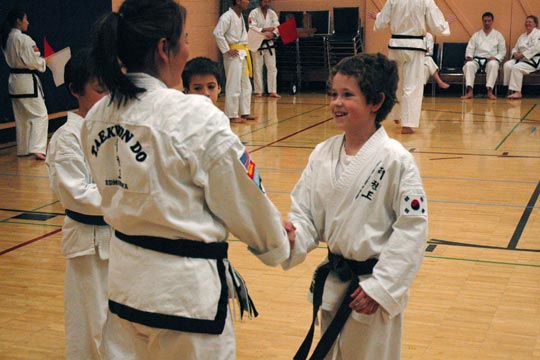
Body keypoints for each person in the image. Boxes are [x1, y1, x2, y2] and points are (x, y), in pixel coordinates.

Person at [82, 1, 290, 359]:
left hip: (125, 290)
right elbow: (241, 197)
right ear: (165, 48)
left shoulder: (97, 115)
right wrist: (275, 244)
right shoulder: (191, 114)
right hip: (184, 300)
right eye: (187, 40)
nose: (188, 49)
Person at [283, 54, 428, 360]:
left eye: (347, 95)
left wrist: (382, 287)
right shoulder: (323, 154)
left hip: (370, 291)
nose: (336, 102)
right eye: (333, 94)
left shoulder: (396, 160)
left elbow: (411, 231)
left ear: (376, 102)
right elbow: (306, 213)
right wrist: (294, 234)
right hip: (336, 285)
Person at [45, 48, 131, 360]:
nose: (107, 96)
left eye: (111, 88)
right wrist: (125, 197)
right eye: (99, 89)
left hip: (118, 238)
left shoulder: (112, 130)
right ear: (75, 91)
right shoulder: (67, 138)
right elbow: (77, 195)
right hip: (88, 243)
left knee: (118, 319)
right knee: (93, 320)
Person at [369, 0, 452, 134]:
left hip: (396, 46)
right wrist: (445, 24)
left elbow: (382, 22)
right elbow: (437, 25)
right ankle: (407, 124)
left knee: (396, 83)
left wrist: (379, 17)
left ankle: (396, 115)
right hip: (414, 47)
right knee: (412, 85)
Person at [1, 5, 48, 160]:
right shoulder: (24, 39)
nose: (28, 22)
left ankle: (23, 148)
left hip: (14, 82)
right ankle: (37, 148)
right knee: (40, 115)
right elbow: (33, 61)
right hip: (27, 81)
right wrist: (43, 63)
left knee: (22, 117)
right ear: (18, 21)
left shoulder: (7, 38)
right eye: (25, 19)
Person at [214, 0, 257, 124]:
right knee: (234, 84)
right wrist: (227, 50)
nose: (247, 2)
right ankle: (231, 114)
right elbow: (217, 33)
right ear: (238, 1)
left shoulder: (240, 16)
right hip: (233, 54)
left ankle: (245, 111)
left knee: (246, 84)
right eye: (245, 0)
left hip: (242, 52)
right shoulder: (227, 16)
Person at [461, 12, 506, 100]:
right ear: (482, 21)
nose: (487, 23)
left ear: (492, 21)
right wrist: (469, 56)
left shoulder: (498, 35)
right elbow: (470, 48)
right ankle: (470, 91)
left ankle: (490, 91)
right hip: (477, 59)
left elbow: (502, 51)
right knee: (468, 65)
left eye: (489, 21)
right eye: (485, 21)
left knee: (493, 65)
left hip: (491, 59)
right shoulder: (476, 35)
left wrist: (496, 58)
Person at [248, 0, 281, 98]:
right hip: (257, 43)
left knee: (272, 68)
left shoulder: (272, 13)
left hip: (269, 43)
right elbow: (252, 27)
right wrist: (265, 30)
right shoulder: (253, 13)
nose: (266, 3)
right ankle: (258, 91)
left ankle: (272, 91)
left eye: (268, 2)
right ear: (260, 2)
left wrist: (273, 33)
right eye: (264, 1)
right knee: (257, 68)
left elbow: (277, 27)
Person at [503, 15, 540, 99]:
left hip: (533, 59)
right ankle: (509, 89)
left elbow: (537, 48)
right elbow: (515, 47)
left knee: (517, 68)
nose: (527, 24)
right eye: (526, 22)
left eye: (530, 22)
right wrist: (515, 53)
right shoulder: (522, 36)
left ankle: (518, 92)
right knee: (507, 65)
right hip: (521, 58)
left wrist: (522, 54)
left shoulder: (538, 34)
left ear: (535, 24)